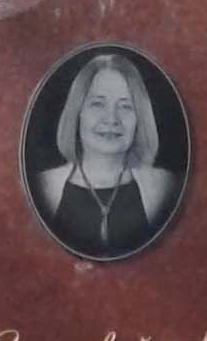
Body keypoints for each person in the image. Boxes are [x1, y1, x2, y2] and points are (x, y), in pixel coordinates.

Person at [33, 51, 177, 257]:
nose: (112, 118)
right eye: (98, 104)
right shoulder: (44, 185)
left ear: (139, 119)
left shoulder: (164, 186)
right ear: (78, 112)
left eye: (126, 106)